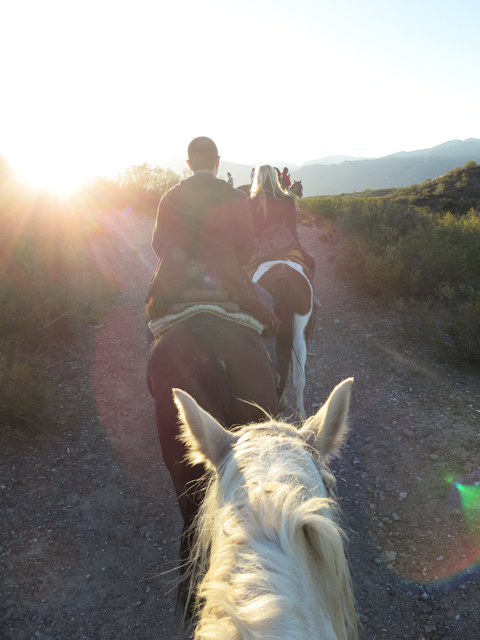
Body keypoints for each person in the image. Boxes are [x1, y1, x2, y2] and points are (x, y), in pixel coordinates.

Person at [146, 137, 279, 339]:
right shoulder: (237, 197)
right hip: (228, 282)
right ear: (217, 161)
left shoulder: (170, 197)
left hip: (175, 285)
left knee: (151, 321)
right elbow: (245, 253)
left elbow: (159, 247)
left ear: (189, 164)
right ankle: (272, 366)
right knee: (268, 302)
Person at [249, 164, 316, 278]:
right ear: (275, 178)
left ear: (258, 179)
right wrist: (297, 245)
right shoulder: (287, 199)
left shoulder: (250, 201)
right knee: (311, 263)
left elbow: (249, 229)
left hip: (259, 246)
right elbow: (292, 230)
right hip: (284, 244)